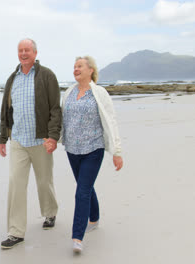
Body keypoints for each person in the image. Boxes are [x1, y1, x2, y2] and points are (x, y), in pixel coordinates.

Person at [0, 38, 62, 249]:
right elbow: (6, 111)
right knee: (16, 184)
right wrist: (2, 138)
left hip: (40, 140)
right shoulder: (12, 79)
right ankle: (16, 232)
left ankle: (50, 213)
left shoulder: (46, 75)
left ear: (35, 52)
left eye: (27, 50)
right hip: (18, 141)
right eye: (20, 50)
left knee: (44, 181)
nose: (23, 53)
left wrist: (53, 136)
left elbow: (55, 109)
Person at [60, 56, 123, 253]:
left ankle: (77, 237)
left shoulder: (100, 93)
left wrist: (116, 151)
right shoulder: (69, 92)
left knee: (82, 192)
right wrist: (54, 138)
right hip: (72, 149)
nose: (75, 69)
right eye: (74, 66)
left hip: (93, 149)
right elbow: (62, 119)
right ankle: (94, 219)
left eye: (79, 66)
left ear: (90, 70)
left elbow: (110, 121)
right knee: (85, 187)